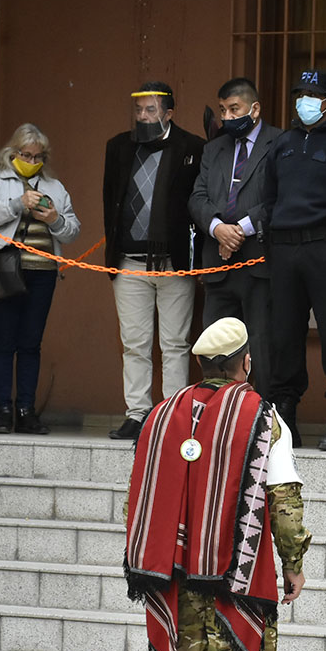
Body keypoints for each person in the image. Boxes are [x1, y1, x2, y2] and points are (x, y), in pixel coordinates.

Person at [123, 317, 310, 651]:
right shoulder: (262, 416)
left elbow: (137, 495)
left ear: (203, 363)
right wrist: (292, 563)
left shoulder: (162, 414)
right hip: (236, 573)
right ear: (245, 362)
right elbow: (283, 498)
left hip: (172, 570)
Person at [264, 70, 326, 451]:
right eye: (299, 93)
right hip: (285, 249)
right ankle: (285, 418)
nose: (303, 100)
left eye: (312, 94)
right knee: (284, 334)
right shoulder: (282, 142)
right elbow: (270, 197)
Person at [102, 82, 205, 441]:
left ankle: (173, 415)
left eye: (150, 110)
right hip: (129, 262)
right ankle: (137, 414)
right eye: (139, 110)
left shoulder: (193, 147)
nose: (143, 116)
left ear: (169, 113)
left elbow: (199, 203)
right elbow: (109, 202)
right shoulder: (117, 147)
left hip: (173, 262)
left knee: (175, 344)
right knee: (134, 343)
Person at [0, 123, 81, 435]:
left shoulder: (55, 186)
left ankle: (26, 410)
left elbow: (73, 230)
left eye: (38, 156)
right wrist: (18, 204)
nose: (32, 160)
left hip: (43, 272)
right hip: (4, 268)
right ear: (12, 152)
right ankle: (3, 410)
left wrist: (55, 219)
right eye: (26, 154)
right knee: (4, 341)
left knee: (31, 343)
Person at [189, 78, 282, 400]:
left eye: (234, 109)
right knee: (214, 343)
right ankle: (215, 409)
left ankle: (262, 413)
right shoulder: (213, 149)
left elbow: (278, 199)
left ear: (254, 109)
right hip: (218, 262)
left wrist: (241, 228)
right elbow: (198, 197)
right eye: (222, 110)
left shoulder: (279, 143)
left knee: (260, 342)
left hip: (259, 264)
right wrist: (218, 228)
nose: (227, 117)